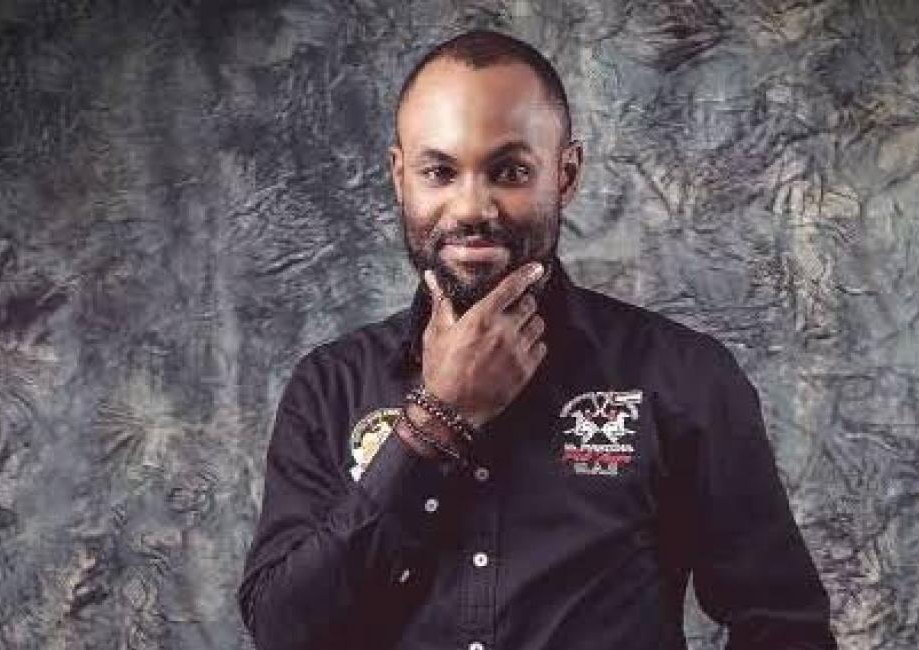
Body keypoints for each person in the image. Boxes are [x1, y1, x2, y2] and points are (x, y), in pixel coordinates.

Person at [237, 29, 837, 650]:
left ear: (565, 174)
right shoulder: (330, 387)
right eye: (439, 171)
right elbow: (284, 632)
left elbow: (784, 627)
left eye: (510, 171)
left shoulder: (682, 377)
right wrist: (435, 422)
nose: (471, 207)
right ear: (399, 177)